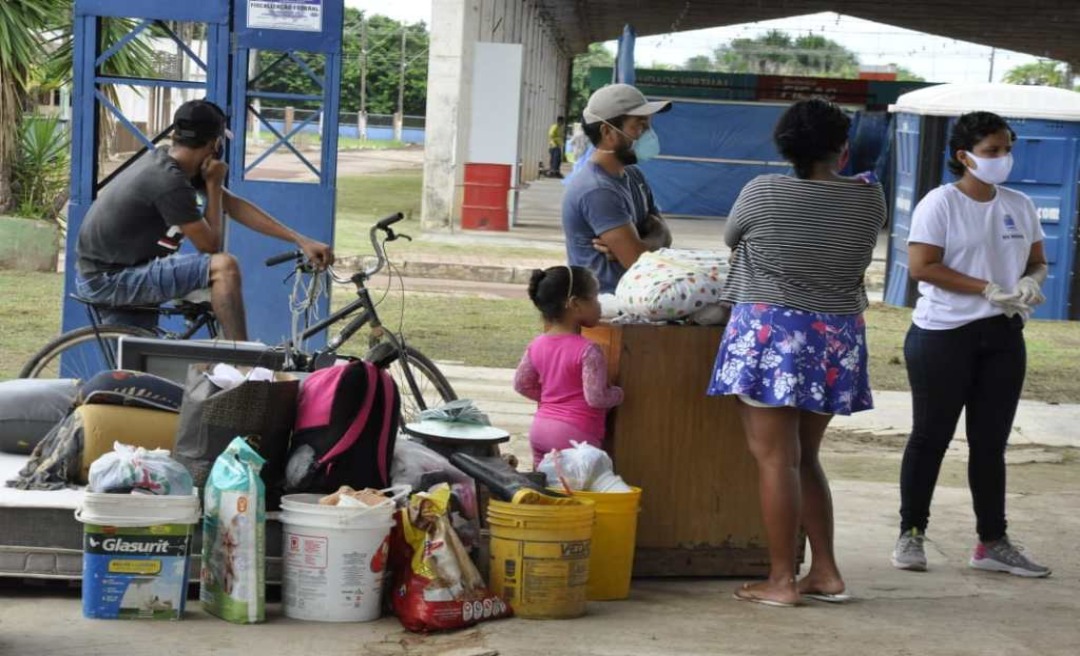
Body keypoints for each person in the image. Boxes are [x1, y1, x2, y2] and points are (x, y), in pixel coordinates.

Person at [707, 98, 886, 607]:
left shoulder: (762, 191)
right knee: (806, 458)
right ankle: (825, 572)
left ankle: (781, 580)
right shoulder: (869, 199)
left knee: (775, 460)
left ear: (785, 147)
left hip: (771, 336)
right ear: (842, 148)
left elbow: (730, 237)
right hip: (836, 338)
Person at [891, 112, 1051, 578]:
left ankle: (991, 543)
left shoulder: (1020, 204)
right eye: (992, 151)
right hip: (943, 334)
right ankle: (911, 533)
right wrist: (984, 287)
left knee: (990, 444)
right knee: (930, 437)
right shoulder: (940, 203)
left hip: (1002, 334)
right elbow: (923, 266)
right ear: (964, 156)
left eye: (1006, 148)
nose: (1003, 158)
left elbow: (1037, 260)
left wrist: (1029, 281)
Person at [74, 100, 334, 341]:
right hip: (108, 279)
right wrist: (213, 183)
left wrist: (301, 240)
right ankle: (240, 361)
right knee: (224, 267)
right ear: (215, 145)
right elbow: (211, 247)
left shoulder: (170, 164)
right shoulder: (168, 181)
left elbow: (234, 206)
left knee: (138, 370)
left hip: (113, 270)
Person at [562, 84, 672, 294]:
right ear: (608, 132)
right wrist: (655, 240)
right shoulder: (598, 190)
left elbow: (663, 233)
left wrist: (655, 237)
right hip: (607, 307)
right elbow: (639, 262)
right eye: (639, 126)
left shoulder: (634, 176)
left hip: (636, 299)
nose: (647, 134)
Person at [513, 265, 624, 467]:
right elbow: (596, 397)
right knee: (582, 492)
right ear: (574, 304)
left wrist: (552, 398)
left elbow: (521, 384)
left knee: (545, 490)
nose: (599, 306)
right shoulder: (589, 350)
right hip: (577, 434)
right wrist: (619, 393)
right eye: (595, 298)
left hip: (540, 428)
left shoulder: (537, 344)